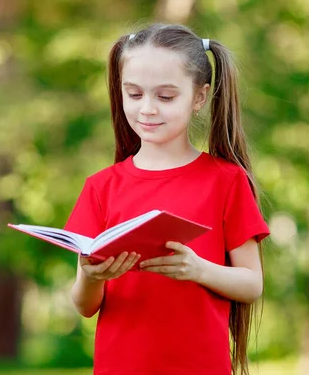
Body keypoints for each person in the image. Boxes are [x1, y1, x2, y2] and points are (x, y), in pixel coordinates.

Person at [66, 23, 270, 375]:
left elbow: (251, 284)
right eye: (133, 94)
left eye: (165, 97)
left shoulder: (225, 181)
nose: (147, 109)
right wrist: (91, 275)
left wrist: (198, 270)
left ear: (200, 97)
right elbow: (85, 305)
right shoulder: (102, 186)